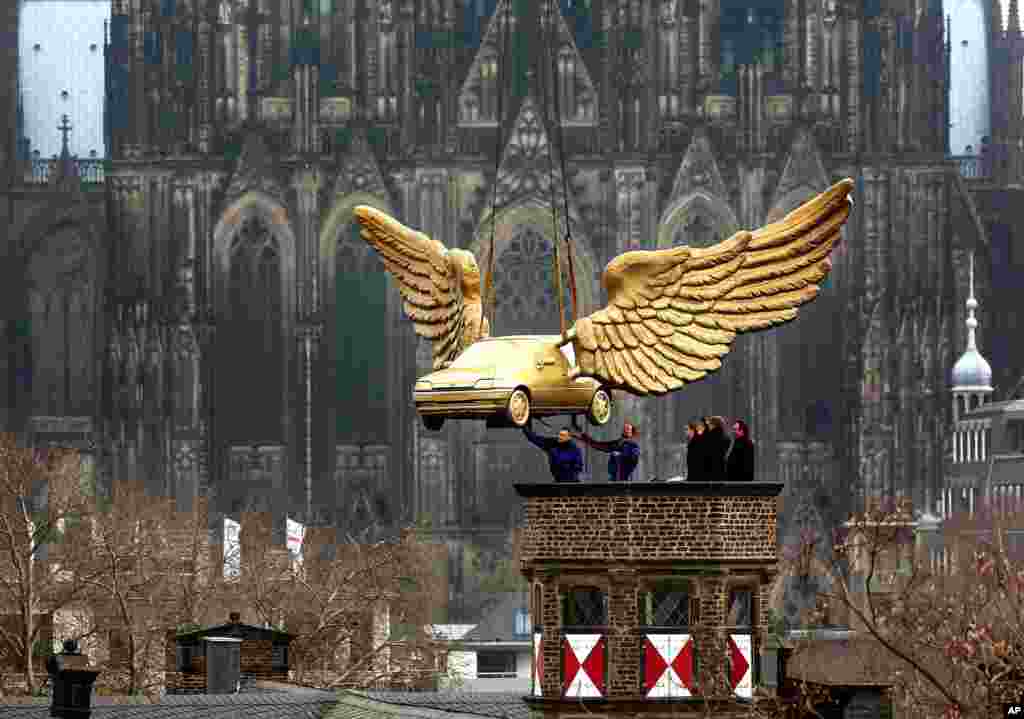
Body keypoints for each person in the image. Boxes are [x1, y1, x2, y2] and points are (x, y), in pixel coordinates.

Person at [703, 416, 730, 482]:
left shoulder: (708, 436)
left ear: (714, 424)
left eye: (710, 424)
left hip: (710, 466)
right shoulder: (726, 437)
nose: (709, 425)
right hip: (722, 465)